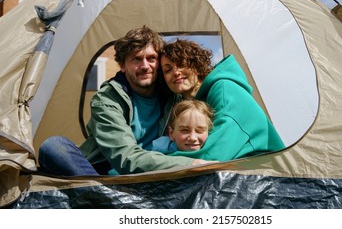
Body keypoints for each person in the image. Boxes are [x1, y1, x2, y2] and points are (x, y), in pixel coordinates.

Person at [38, 26, 209, 176]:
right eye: (136, 59)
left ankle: (99, 202)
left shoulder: (173, 93)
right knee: (53, 146)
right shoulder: (107, 100)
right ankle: (103, 197)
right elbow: (126, 157)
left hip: (158, 173)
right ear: (122, 65)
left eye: (151, 58)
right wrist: (188, 164)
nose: (145, 66)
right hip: (108, 174)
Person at [160, 39, 285, 161]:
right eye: (168, 70)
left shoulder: (225, 89)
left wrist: (156, 164)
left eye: (181, 64)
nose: (176, 72)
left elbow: (216, 153)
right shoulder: (180, 105)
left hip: (269, 172)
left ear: (196, 65)